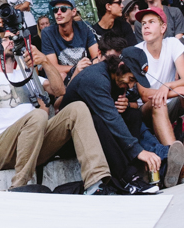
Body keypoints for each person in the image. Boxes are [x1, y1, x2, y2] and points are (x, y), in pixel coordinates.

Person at [0, 12, 113, 191]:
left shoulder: (28, 75)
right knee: (38, 115)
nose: (9, 42)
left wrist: (45, 61)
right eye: (4, 39)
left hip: (34, 144)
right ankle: (18, 186)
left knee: (77, 108)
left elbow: (60, 91)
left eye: (12, 39)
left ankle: (96, 182)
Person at [61, 43, 181, 193]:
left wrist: (125, 104)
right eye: (130, 79)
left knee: (133, 115)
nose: (130, 86)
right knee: (99, 121)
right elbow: (111, 119)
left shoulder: (116, 78)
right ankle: (127, 178)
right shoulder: (95, 78)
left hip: (95, 134)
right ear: (121, 66)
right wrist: (138, 151)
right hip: (71, 140)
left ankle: (146, 165)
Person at [122, 6, 184, 144]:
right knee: (158, 102)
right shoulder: (136, 51)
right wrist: (177, 91)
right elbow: (145, 95)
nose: (146, 26)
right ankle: (171, 152)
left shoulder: (173, 43)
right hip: (147, 109)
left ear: (163, 28)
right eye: (143, 23)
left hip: (171, 104)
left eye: (151, 22)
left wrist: (167, 86)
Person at [40, 0, 99, 77]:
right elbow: (53, 68)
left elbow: (96, 57)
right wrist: (77, 68)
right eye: (55, 10)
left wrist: (85, 67)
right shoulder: (47, 33)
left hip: (86, 74)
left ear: (73, 12)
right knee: (61, 75)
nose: (58, 13)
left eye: (63, 9)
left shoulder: (84, 27)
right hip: (66, 78)